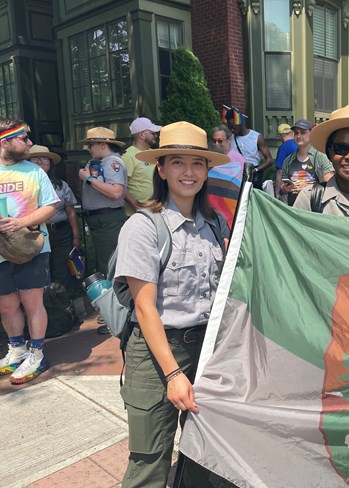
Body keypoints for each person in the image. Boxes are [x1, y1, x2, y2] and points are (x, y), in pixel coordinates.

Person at [116, 121, 231, 487]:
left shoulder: (214, 224)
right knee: (150, 460)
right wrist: (172, 375)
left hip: (205, 351)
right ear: (161, 169)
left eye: (197, 163)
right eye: (177, 162)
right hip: (156, 354)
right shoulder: (143, 226)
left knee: (203, 454)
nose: (188, 172)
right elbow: (146, 308)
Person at [0, 120, 58, 384]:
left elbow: (51, 207)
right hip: (1, 252)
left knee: (32, 302)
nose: (29, 143)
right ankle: (17, 350)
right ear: (5, 142)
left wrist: (20, 222)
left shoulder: (34, 172)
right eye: (24, 138)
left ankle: (37, 354)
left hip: (32, 248)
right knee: (6, 305)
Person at [78, 127, 128, 334]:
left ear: (103, 144)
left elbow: (116, 193)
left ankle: (117, 316)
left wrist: (88, 179)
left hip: (108, 219)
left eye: (91, 144)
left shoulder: (112, 163)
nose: (89, 149)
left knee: (111, 267)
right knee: (106, 264)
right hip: (101, 220)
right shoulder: (103, 163)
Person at [29, 144, 82, 295]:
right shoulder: (26, 186)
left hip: (61, 233)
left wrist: (76, 237)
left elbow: (71, 212)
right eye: (35, 158)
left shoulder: (61, 186)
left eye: (44, 158)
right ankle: (46, 307)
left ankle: (63, 308)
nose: (40, 161)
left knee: (61, 271)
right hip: (37, 234)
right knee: (41, 271)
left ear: (50, 163)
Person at [279, 119, 334, 206]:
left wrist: (309, 189)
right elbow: (282, 185)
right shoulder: (288, 160)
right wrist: (284, 188)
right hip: (292, 209)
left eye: (303, 132)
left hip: (313, 210)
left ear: (311, 133)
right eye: (296, 133)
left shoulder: (321, 157)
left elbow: (330, 184)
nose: (298, 136)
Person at [122, 117, 162, 216]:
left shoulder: (155, 153)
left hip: (158, 210)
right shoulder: (129, 156)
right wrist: (137, 208)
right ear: (142, 135)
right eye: (152, 133)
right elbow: (122, 187)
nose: (155, 136)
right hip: (137, 215)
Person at [225, 108, 273, 189]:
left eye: (233, 127)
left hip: (253, 176)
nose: (232, 130)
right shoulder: (230, 138)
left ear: (241, 123)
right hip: (236, 177)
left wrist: (256, 170)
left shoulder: (256, 137)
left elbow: (270, 160)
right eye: (230, 128)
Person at [274, 123, 297, 199]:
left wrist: (277, 192)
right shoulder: (298, 144)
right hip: (299, 185)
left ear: (280, 136)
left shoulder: (283, 147)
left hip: (287, 188)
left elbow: (280, 171)